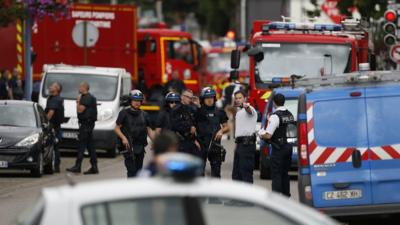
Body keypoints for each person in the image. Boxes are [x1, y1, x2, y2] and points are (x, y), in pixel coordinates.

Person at [259, 93, 294, 197]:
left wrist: (261, 133)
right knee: (285, 173)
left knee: (276, 174)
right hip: (288, 147)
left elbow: (268, 135)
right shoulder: (289, 114)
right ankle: (286, 195)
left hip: (278, 148)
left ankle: (276, 197)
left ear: (274, 102)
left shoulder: (275, 116)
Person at [114, 90, 154, 177]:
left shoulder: (145, 115)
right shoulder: (123, 113)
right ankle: (130, 189)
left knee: (138, 172)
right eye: (135, 100)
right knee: (131, 171)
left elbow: (149, 130)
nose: (137, 103)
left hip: (140, 147)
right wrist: (123, 138)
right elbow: (116, 128)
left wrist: (155, 142)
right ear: (130, 101)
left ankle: (137, 189)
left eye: (139, 100)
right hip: (128, 147)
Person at [196, 87, 229, 177]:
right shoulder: (197, 111)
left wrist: (221, 131)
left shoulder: (220, 112)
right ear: (203, 99)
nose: (209, 100)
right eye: (207, 98)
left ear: (214, 98)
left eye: (211, 97)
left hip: (215, 145)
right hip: (201, 145)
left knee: (216, 174)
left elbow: (227, 127)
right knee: (199, 173)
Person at [67, 82, 98, 174]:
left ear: (85, 88)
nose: (79, 88)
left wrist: (78, 101)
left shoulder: (86, 97)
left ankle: (78, 166)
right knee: (90, 146)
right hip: (88, 124)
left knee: (82, 145)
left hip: (86, 124)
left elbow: (80, 110)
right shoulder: (88, 97)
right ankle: (94, 166)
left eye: (80, 86)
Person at [156, 92, 200, 157]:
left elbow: (191, 128)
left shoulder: (184, 112)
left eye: (176, 102)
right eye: (171, 102)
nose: (174, 104)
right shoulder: (163, 114)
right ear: (167, 103)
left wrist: (194, 140)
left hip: (181, 143)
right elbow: (158, 130)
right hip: (167, 142)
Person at [231, 90, 257, 183]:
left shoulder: (250, 109)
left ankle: (248, 196)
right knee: (236, 175)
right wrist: (236, 146)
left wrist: (246, 106)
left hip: (247, 145)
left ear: (245, 98)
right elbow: (239, 131)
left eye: (240, 98)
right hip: (239, 145)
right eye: (236, 98)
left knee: (246, 174)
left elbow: (249, 110)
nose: (238, 100)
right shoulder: (238, 113)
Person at [45, 82, 64, 173]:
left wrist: (44, 123)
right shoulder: (53, 98)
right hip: (56, 127)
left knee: (53, 147)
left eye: (52, 85)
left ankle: (55, 165)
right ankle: (56, 165)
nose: (50, 86)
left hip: (53, 127)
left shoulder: (55, 99)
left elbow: (50, 113)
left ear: (57, 89)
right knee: (55, 146)